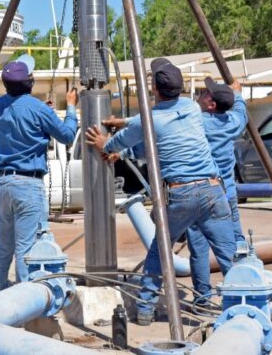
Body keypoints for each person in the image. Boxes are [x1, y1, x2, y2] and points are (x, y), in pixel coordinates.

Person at [85, 58, 236, 325]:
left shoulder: (149, 120)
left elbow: (116, 142)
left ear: (153, 88)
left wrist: (105, 142)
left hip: (181, 195)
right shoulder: (191, 108)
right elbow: (155, 129)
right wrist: (126, 125)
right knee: (230, 256)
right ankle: (245, 305)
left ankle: (145, 310)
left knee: (159, 252)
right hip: (213, 191)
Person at [0, 57, 78, 293]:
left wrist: (41, 113)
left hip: (2, 183)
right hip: (27, 185)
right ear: (30, 82)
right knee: (27, 249)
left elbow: (16, 119)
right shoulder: (37, 108)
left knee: (2, 247)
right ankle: (25, 301)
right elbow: (67, 135)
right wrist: (70, 107)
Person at [186, 77, 248, 306]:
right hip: (228, 193)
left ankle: (203, 299)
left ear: (211, 105)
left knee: (200, 249)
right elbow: (242, 113)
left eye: (205, 93)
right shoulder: (232, 122)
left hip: (203, 193)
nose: (201, 93)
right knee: (235, 244)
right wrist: (238, 93)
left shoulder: (198, 122)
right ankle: (242, 294)